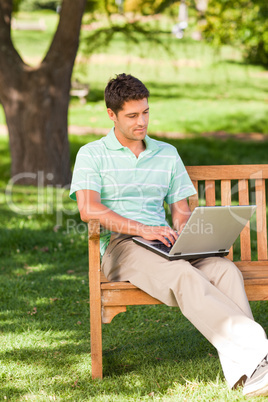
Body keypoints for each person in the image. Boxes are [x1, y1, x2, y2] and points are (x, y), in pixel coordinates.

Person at [70, 73, 268, 397]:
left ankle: (249, 375)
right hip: (123, 246)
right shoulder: (92, 154)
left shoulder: (166, 153)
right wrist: (143, 229)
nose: (141, 121)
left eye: (145, 112)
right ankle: (260, 352)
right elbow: (88, 210)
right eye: (132, 115)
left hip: (165, 242)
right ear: (112, 115)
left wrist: (185, 229)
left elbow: (180, 210)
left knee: (225, 271)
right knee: (181, 275)